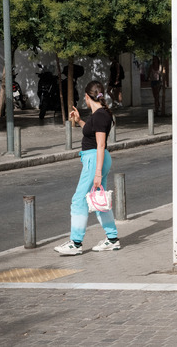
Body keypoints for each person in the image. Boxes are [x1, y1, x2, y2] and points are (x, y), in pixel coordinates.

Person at [54, 81, 121, 255]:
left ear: (86, 96)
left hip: (95, 160)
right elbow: (93, 132)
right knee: (98, 200)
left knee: (79, 200)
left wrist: (97, 172)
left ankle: (75, 243)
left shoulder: (100, 116)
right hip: (98, 158)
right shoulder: (100, 114)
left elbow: (100, 144)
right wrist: (80, 121)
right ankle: (112, 239)